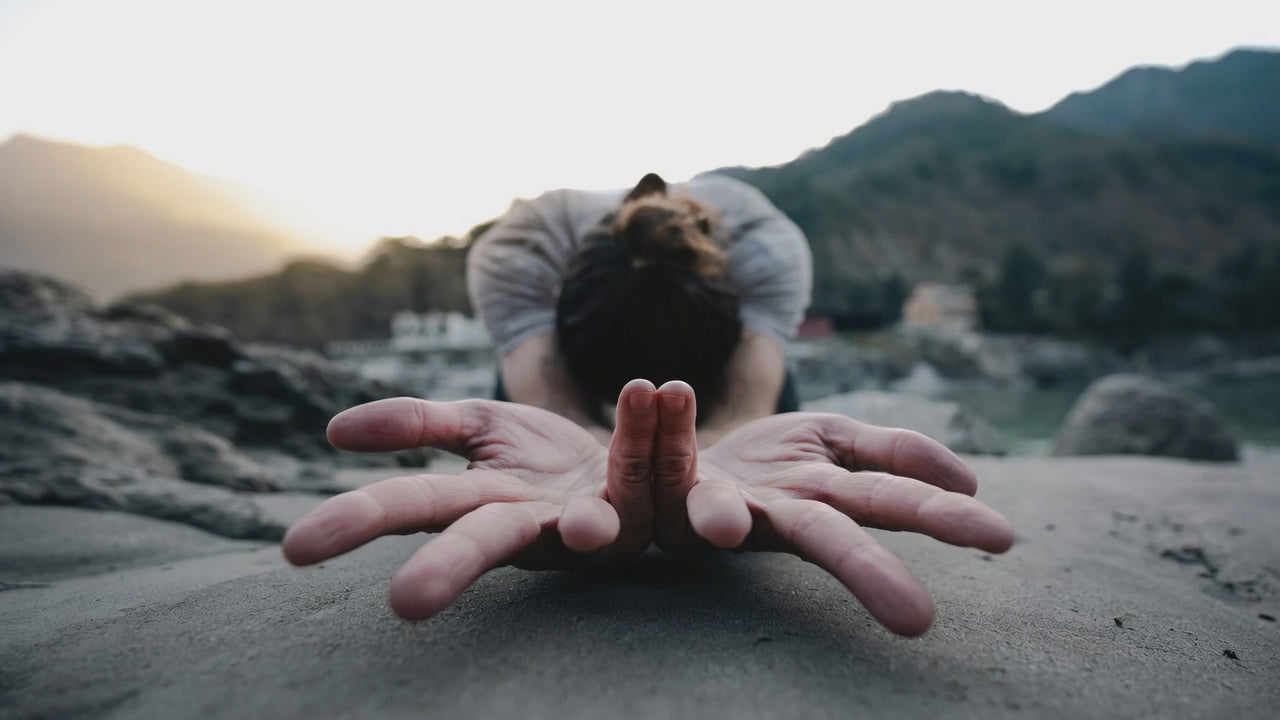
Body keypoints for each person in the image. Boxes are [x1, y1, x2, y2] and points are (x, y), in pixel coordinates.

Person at [282, 174, 1014, 637]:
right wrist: (588, 461)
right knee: (535, 439)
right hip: (561, 365)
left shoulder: (765, 247)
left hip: (725, 362)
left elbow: (749, 402)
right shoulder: (521, 251)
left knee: (761, 440)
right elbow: (544, 387)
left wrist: (723, 458)